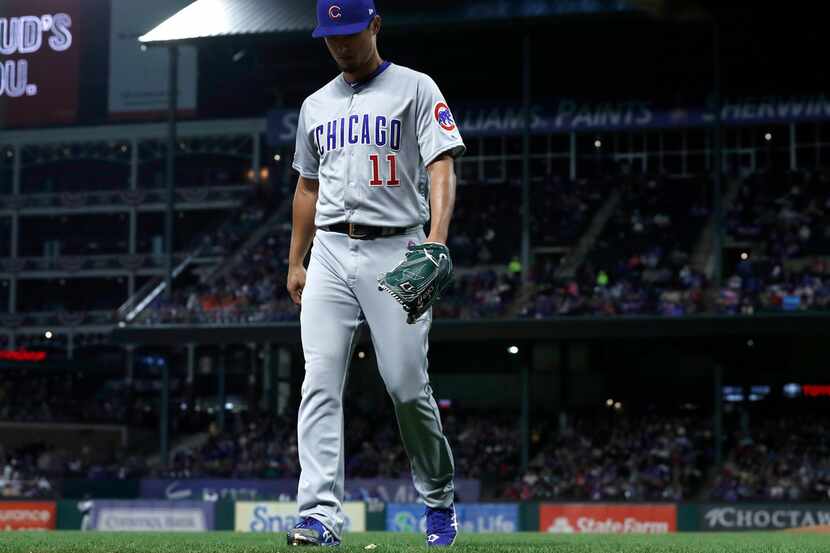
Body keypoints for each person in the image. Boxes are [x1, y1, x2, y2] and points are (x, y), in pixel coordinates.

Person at [285, 0, 465, 547]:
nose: (340, 44)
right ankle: (317, 515)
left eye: (350, 32)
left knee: (407, 386)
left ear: (375, 26)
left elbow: (441, 165)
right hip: (332, 252)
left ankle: (438, 500)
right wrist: (296, 257)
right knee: (318, 381)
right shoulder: (315, 104)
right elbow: (307, 188)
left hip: (399, 249)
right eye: (330, 36)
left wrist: (435, 243)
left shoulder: (416, 87)